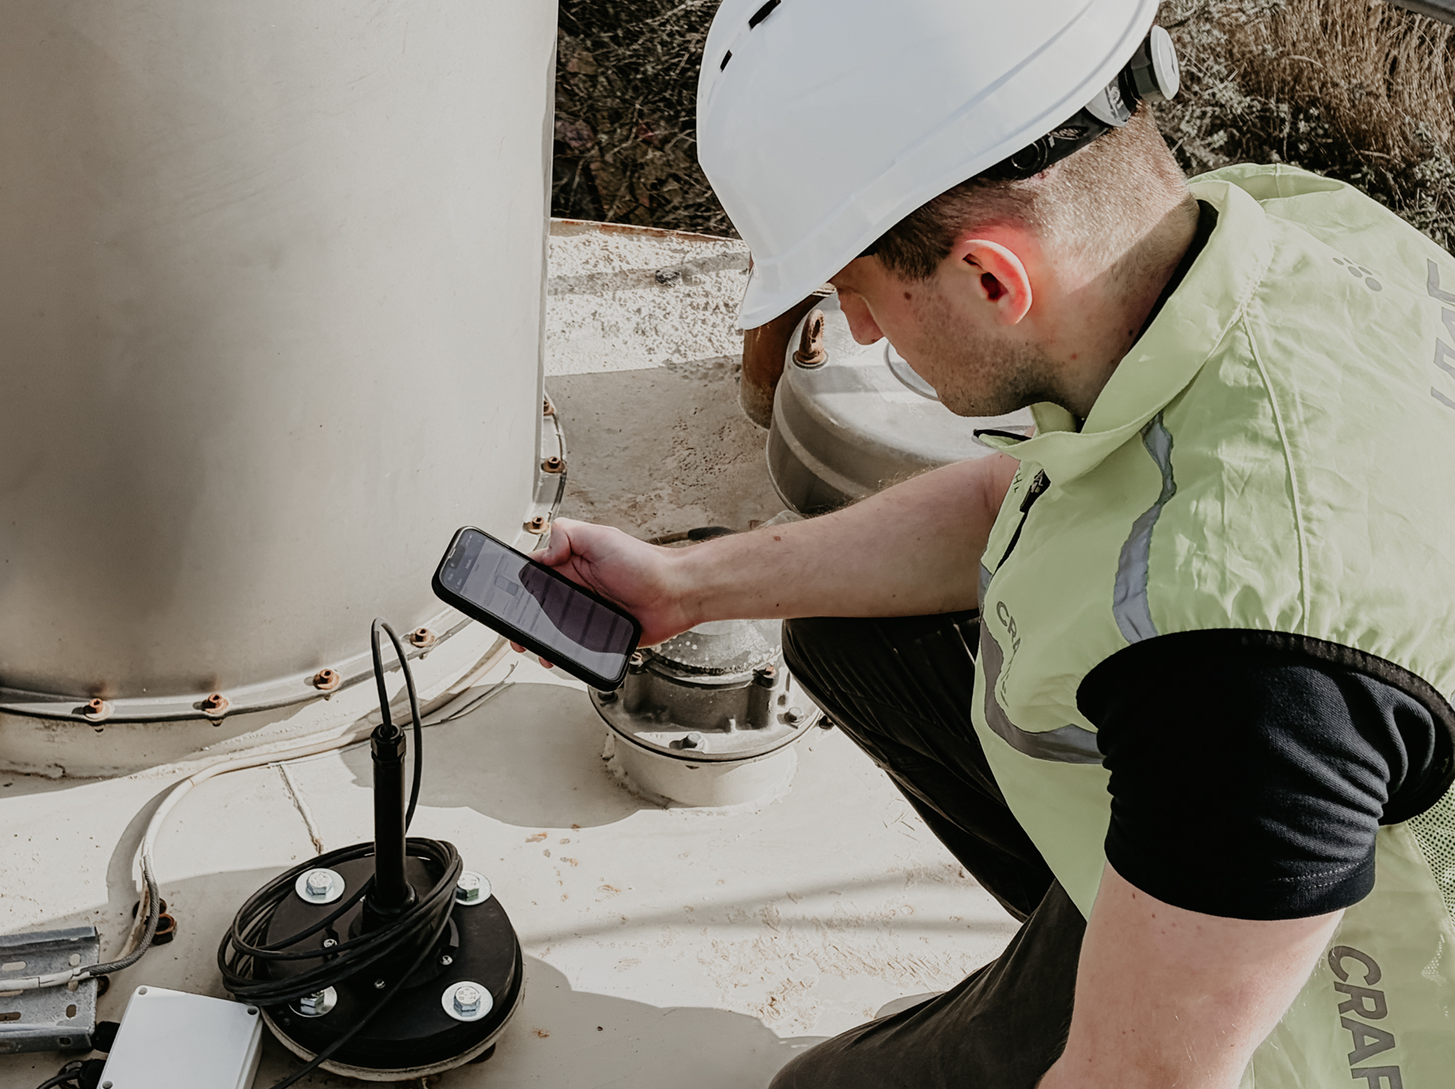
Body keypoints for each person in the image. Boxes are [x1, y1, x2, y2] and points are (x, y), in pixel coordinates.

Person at [524, 1, 1455, 1085]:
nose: (859, 332)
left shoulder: (1240, 678)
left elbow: (1135, 1079)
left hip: (1345, 1026)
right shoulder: (1292, 231)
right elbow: (1023, 497)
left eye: (861, 293)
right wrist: (685, 588)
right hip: (1238, 846)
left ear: (990, 279)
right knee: (851, 638)